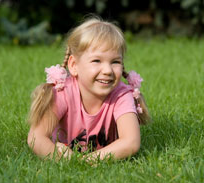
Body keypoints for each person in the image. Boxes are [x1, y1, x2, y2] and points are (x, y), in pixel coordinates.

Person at [27, 16, 150, 162]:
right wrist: (60, 158)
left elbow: (131, 142)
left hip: (96, 156)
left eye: (115, 62)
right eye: (96, 61)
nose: (107, 70)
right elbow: (36, 137)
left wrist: (86, 161)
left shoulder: (121, 95)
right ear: (74, 65)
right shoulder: (63, 92)